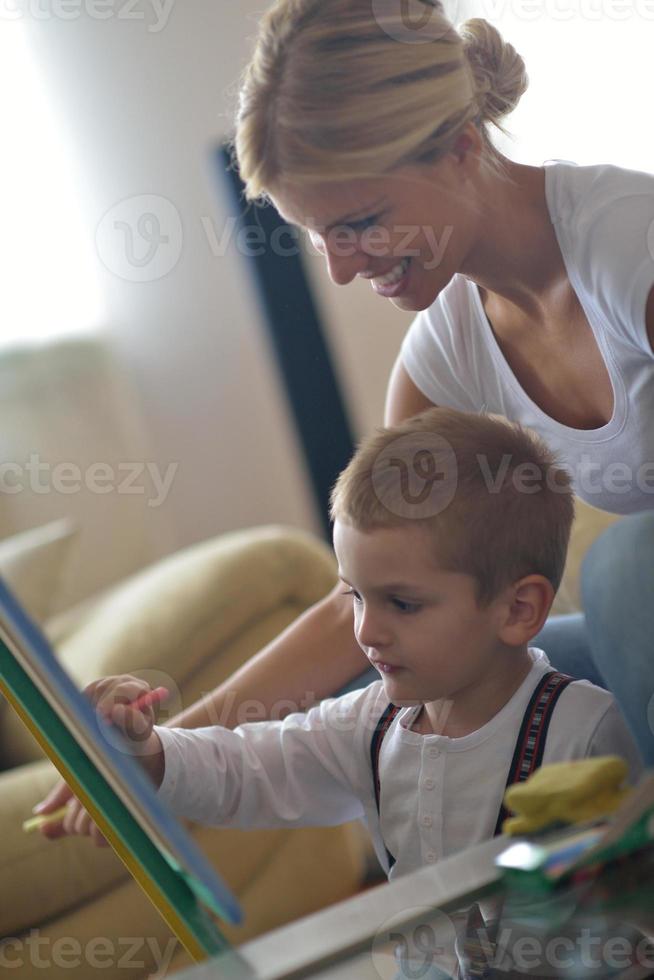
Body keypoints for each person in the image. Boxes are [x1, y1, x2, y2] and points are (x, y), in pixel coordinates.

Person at [36, 0, 654, 832]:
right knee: (420, 691)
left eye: (361, 222)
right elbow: (358, 599)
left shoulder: (629, 248)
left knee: (628, 572)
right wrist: (161, 753)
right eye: (318, 236)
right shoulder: (448, 351)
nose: (339, 270)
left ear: (463, 148)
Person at [56, 409, 643, 867]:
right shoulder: (368, 723)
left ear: (518, 609)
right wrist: (148, 749)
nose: (365, 629)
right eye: (355, 596)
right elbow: (248, 766)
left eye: (403, 604)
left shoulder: (591, 730)